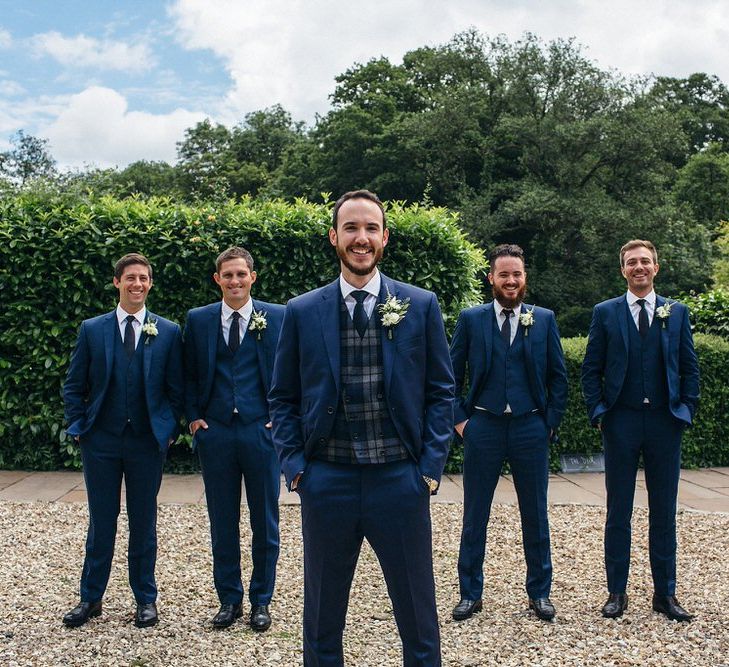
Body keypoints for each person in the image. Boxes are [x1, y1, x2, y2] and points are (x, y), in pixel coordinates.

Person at [269, 189, 454, 666]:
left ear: (384, 238)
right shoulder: (302, 310)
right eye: (351, 228)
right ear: (334, 237)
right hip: (327, 480)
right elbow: (283, 397)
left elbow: (440, 392)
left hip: (400, 480)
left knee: (418, 616)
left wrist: (429, 470)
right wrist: (296, 468)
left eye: (370, 228)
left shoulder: (420, 304)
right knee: (322, 619)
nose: (361, 238)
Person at [62, 253, 183, 628]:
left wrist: (166, 431)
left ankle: (146, 600)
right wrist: (79, 426)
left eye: (143, 279)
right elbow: (73, 385)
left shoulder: (168, 331)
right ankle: (90, 598)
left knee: (143, 522)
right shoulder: (92, 329)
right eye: (130, 278)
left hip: (146, 443)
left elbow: (175, 389)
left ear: (150, 284)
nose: (137, 284)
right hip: (101, 441)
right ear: (117, 282)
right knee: (102, 520)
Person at [581, 239, 699, 621]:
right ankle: (617, 592)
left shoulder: (676, 312)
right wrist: (600, 411)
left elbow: (689, 366)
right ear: (623, 270)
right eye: (632, 262)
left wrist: (686, 410)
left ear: (656, 268)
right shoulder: (606, 312)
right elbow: (590, 367)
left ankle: (665, 594)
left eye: (645, 262)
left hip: (666, 422)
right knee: (619, 510)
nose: (639, 268)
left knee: (664, 511)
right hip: (621, 423)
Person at [449, 244, 568, 622]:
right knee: (474, 513)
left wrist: (547, 423)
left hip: (530, 427)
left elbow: (558, 378)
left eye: (517, 274)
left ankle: (540, 593)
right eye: (504, 275)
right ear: (492, 279)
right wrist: (461, 422)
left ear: (524, 277)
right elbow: (449, 377)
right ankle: (470, 593)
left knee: (535, 512)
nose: (511, 281)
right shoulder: (471, 319)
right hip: (481, 426)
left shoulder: (544, 319)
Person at [183, 247, 283, 631]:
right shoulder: (200, 319)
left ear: (252, 277)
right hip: (217, 433)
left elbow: (293, 371)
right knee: (222, 521)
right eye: (228, 275)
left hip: (261, 432)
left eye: (241, 274)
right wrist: (194, 419)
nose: (235, 281)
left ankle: (261, 601)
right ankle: (229, 600)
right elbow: (188, 374)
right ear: (218, 280)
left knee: (265, 521)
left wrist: (280, 419)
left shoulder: (277, 316)